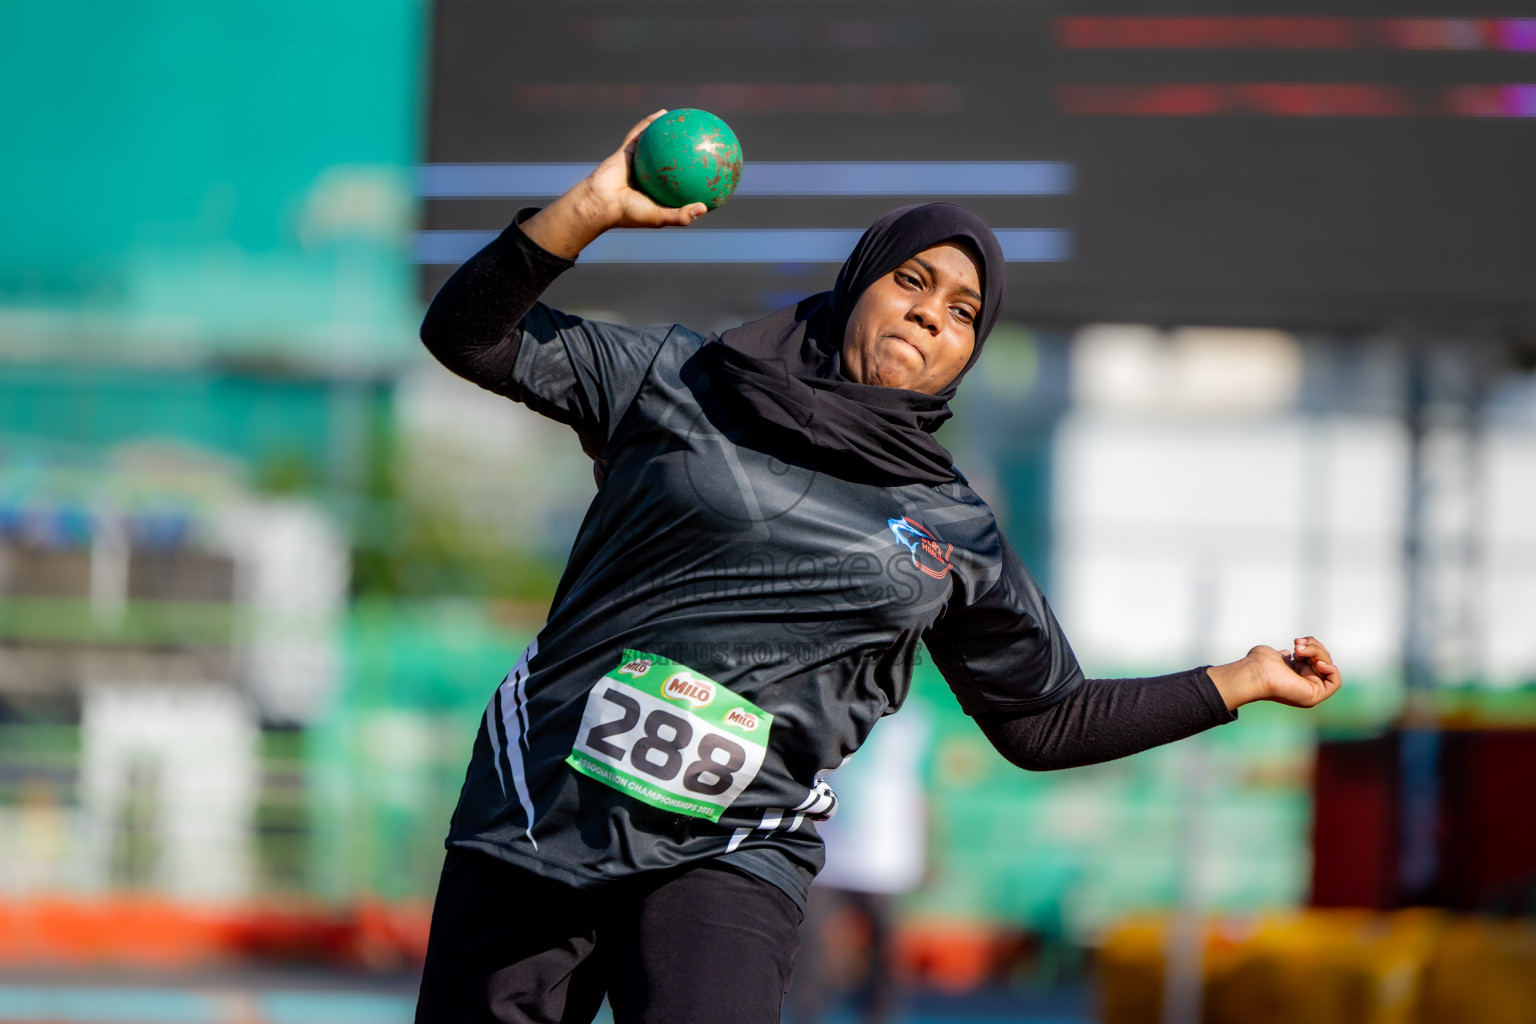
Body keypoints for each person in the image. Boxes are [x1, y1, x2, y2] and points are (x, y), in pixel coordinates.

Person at [412, 111, 1344, 1024]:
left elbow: (1043, 720)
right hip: (540, 800)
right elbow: (470, 337)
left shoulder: (953, 527)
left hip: (737, 843)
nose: (929, 316)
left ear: (968, 353)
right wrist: (589, 209)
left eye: (962, 313)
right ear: (859, 282)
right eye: (912, 280)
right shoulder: (679, 381)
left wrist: (1239, 681)